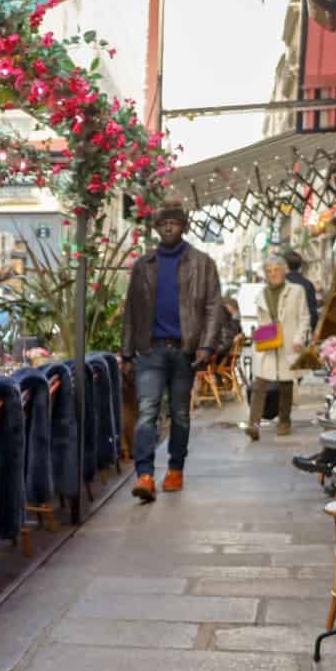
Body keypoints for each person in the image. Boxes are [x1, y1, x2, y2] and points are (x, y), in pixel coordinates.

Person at [121, 202, 224, 501]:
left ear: (184, 226)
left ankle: (175, 469)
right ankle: (145, 475)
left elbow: (213, 306)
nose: (168, 226)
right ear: (156, 227)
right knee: (147, 412)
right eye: (163, 222)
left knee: (179, 415)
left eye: (174, 222)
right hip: (150, 350)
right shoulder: (143, 265)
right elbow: (131, 310)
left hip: (185, 352)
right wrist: (126, 353)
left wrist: (206, 345)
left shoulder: (202, 263)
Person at [246, 254, 310, 440]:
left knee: (285, 384)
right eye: (268, 271)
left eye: (276, 270)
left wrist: (299, 338)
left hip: (289, 343)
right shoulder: (261, 294)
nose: (272, 274)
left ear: (284, 271)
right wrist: (259, 337)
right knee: (259, 385)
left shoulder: (296, 291)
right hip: (269, 343)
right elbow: (261, 321)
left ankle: (284, 421)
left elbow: (304, 317)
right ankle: (254, 425)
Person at [282, 250, 320, 333]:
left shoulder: (281, 285)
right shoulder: (308, 284)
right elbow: (312, 312)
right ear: (299, 266)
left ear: (285, 265)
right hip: (304, 332)